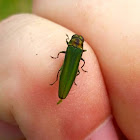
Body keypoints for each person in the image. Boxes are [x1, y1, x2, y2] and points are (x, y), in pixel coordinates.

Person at [0, 0, 139, 139]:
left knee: (63, 72)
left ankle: (61, 84)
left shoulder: (71, 48)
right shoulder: (78, 51)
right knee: (68, 72)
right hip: (70, 72)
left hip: (67, 71)